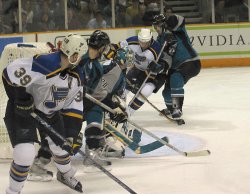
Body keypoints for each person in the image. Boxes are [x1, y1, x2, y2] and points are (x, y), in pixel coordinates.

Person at [2, 33, 88, 193]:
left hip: (50, 114)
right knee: (24, 154)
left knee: (62, 148)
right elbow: (9, 74)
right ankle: (12, 191)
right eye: (80, 56)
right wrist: (20, 99)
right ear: (75, 55)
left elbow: (73, 106)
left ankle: (66, 174)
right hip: (24, 113)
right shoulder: (45, 63)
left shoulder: (76, 76)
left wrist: (71, 133)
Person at [153, 13, 201, 119]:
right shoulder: (159, 40)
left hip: (191, 62)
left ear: (163, 24)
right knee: (166, 92)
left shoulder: (178, 31)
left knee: (176, 78)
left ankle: (177, 108)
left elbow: (180, 19)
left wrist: (169, 22)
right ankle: (171, 109)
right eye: (154, 26)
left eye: (158, 25)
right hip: (175, 67)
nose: (156, 28)